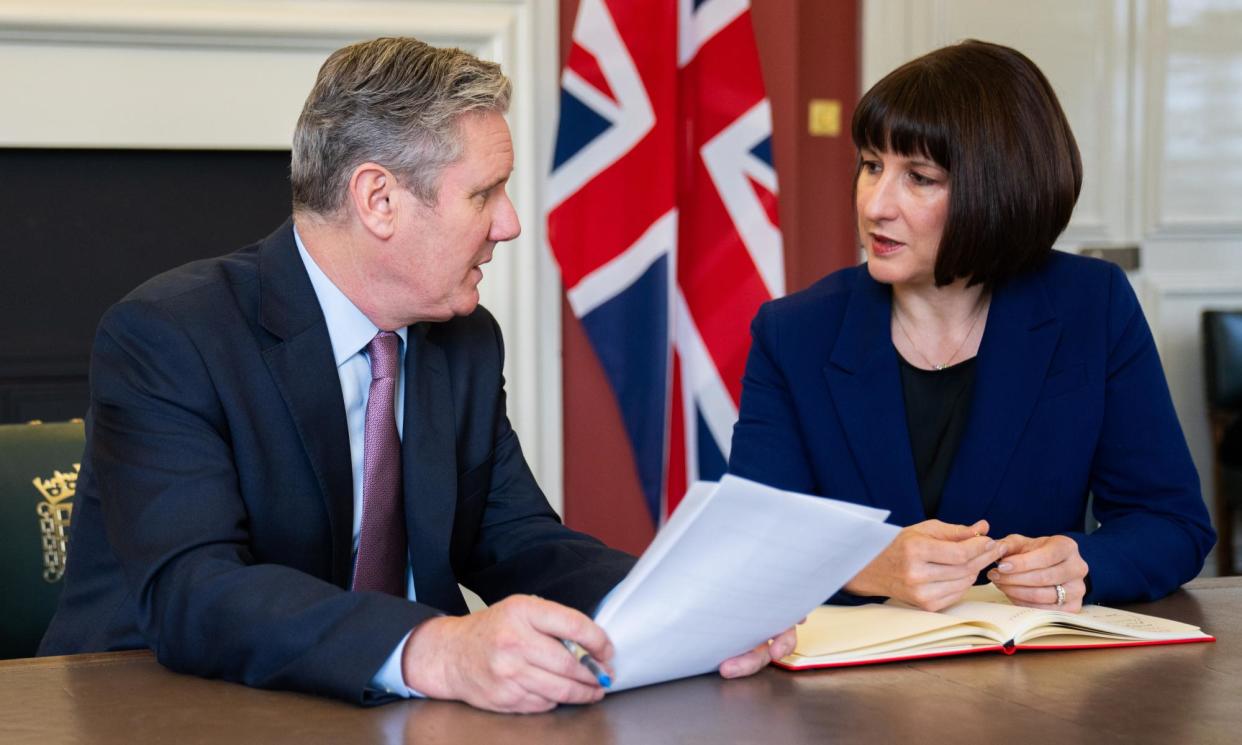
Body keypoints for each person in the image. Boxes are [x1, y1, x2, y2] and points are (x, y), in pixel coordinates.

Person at [40, 36, 792, 712]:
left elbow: (515, 539)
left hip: (392, 713)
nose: (510, 223)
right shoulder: (171, 336)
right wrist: (433, 648)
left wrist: (685, 613)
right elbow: (195, 592)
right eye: (484, 193)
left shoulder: (463, 339)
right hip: (161, 704)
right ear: (379, 200)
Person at [728, 40, 1215, 614]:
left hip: (1030, 681)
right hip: (846, 688)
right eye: (872, 165)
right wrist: (868, 567)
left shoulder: (1092, 304)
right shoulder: (795, 332)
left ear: (999, 189)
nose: (875, 205)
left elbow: (1171, 523)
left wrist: (1084, 563)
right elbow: (749, 547)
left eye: (920, 178)